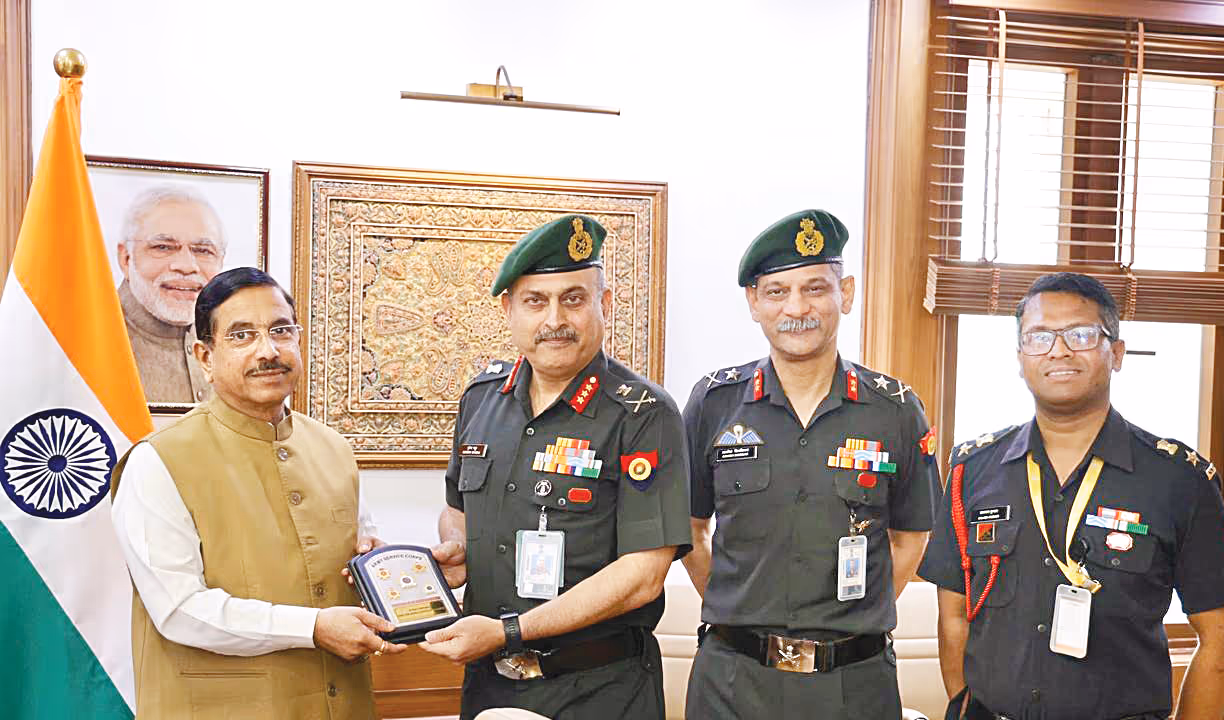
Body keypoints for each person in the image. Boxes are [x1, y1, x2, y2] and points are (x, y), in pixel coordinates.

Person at [917, 272, 1224, 720]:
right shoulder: (972, 470)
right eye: (1039, 337)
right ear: (1020, 358)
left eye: (1081, 334)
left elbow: (1222, 638)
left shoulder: (1179, 480)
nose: (1058, 350)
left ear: (1116, 353)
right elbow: (954, 615)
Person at [421, 214, 692, 720]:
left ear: (603, 304)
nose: (554, 320)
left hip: (600, 690)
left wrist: (509, 631)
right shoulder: (481, 399)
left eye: (573, 299)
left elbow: (643, 575)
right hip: (490, 684)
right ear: (508, 309)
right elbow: (457, 509)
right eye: (535, 301)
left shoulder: (643, 414)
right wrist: (458, 548)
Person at [110, 267, 405, 719]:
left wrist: (376, 569)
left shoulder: (332, 447)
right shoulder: (158, 461)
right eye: (242, 335)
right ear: (205, 357)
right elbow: (179, 609)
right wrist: (313, 627)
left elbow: (357, 549)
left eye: (281, 330)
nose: (268, 351)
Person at [681, 209, 938, 719]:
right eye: (777, 291)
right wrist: (739, 611)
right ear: (754, 302)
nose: (796, 308)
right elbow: (691, 528)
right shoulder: (714, 402)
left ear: (846, 293)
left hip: (854, 684)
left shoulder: (895, 409)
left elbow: (910, 538)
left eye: (815, 288)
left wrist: (852, 616)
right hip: (732, 680)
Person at [116, 185, 225, 404]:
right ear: (126, 259)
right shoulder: (83, 340)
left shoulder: (236, 339)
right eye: (163, 247)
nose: (186, 266)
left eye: (203, 250)